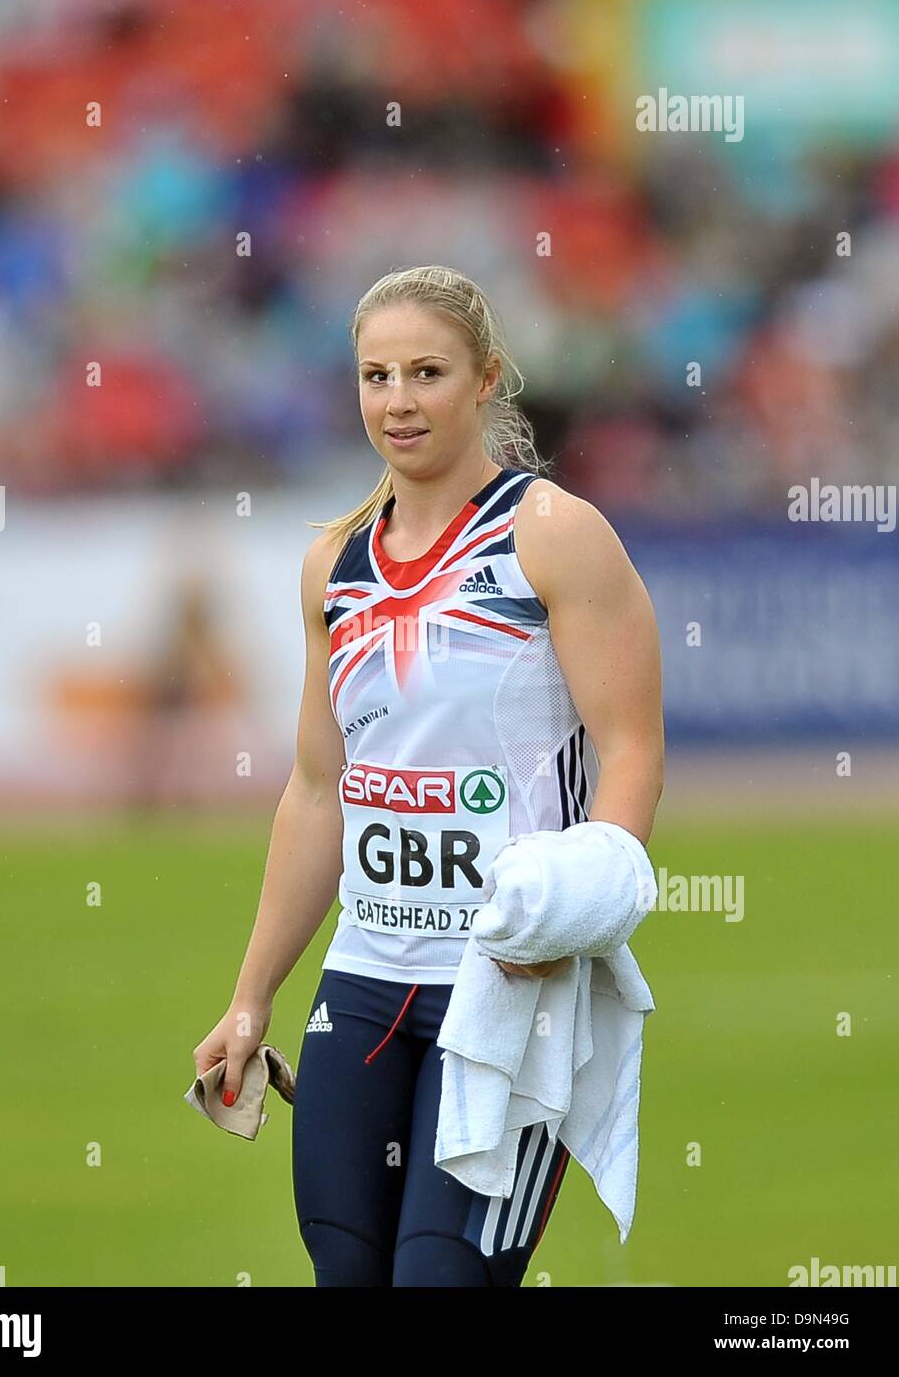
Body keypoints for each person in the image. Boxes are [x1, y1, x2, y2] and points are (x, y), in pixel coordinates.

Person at [193, 264, 664, 1287]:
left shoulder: (551, 535)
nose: (397, 400)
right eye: (375, 376)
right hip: (363, 984)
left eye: (426, 372)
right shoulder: (333, 563)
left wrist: (579, 916)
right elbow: (319, 790)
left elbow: (629, 745)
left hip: (506, 983)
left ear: (486, 378)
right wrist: (250, 997)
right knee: (346, 1274)